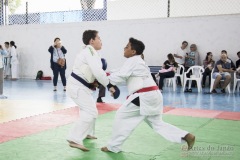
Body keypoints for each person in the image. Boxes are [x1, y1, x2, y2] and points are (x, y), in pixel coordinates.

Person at [101, 37, 195, 153]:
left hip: (144, 96)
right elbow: (118, 71)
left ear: (133, 51)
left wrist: (103, 78)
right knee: (157, 124)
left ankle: (113, 147)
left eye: (127, 47)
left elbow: (120, 76)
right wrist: (105, 74)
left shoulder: (133, 60)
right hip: (154, 95)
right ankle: (186, 136)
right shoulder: (137, 61)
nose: (124, 48)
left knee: (121, 116)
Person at [66, 30, 117, 151]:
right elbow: (98, 72)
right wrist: (109, 85)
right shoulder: (90, 51)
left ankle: (87, 133)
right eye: (99, 38)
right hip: (77, 87)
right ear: (91, 41)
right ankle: (74, 138)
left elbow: (93, 73)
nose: (101, 40)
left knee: (89, 111)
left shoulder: (90, 52)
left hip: (81, 87)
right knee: (91, 112)